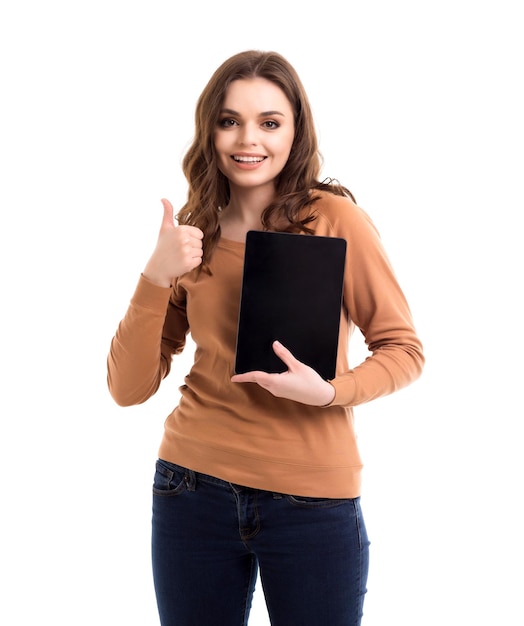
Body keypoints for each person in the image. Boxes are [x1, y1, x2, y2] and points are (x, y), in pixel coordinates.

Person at [107, 49, 424, 626]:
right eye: (229, 120)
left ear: (295, 130)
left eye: (269, 122)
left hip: (312, 499)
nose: (247, 139)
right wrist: (154, 276)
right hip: (190, 489)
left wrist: (330, 391)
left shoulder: (335, 220)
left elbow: (403, 348)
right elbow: (127, 389)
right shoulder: (192, 230)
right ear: (210, 130)